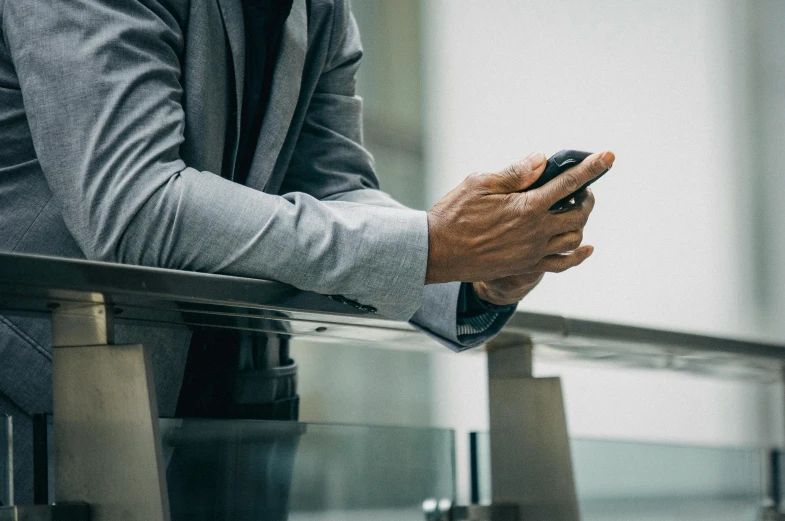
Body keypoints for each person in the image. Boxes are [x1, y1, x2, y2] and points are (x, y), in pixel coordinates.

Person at [0, 0, 614, 508]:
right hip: (44, 402)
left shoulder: (317, 7)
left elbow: (334, 186)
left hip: (239, 407)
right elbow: (136, 205)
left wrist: (471, 276)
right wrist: (430, 246)